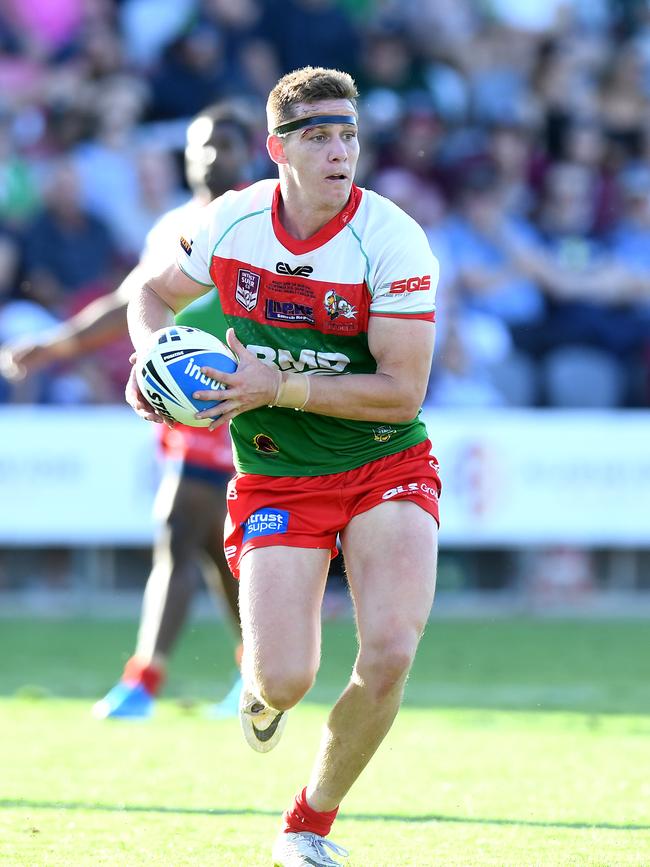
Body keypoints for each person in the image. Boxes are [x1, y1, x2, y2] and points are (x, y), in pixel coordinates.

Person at [126, 67, 440, 866]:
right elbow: (153, 294)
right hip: (276, 475)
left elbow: (402, 393)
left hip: (384, 464)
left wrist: (281, 384)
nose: (340, 152)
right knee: (286, 679)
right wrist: (151, 362)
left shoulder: (394, 238)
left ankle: (308, 822)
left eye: (348, 136)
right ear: (277, 150)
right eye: (318, 137)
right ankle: (265, 696)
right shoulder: (230, 221)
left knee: (391, 652)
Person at [0, 101, 258, 719]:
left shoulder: (262, 221)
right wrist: (59, 344)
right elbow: (129, 302)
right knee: (204, 542)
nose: (209, 156)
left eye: (224, 143)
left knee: (185, 531)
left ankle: (148, 682)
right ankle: (250, 672)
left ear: (252, 152)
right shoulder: (175, 224)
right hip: (191, 401)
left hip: (245, 402)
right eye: (199, 144)